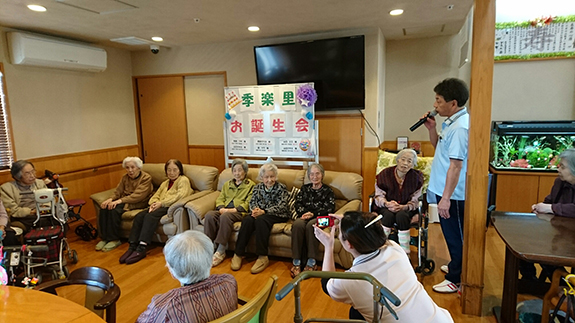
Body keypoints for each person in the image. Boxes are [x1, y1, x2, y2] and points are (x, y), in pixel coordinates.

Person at [314, 211, 453, 322]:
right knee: (356, 313)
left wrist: (328, 245)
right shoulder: (395, 249)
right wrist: (353, 223)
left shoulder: (352, 280)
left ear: (349, 244)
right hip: (438, 319)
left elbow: (327, 282)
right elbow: (373, 233)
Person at [423, 78, 469, 294]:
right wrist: (431, 129)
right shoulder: (450, 122)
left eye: (439, 100)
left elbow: (456, 166)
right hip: (444, 189)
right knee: (451, 235)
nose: (435, 105)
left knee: (455, 236)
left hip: (454, 195)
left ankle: (456, 279)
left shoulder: (460, 128)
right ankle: (455, 266)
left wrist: (446, 198)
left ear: (453, 103)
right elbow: (439, 148)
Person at [137, 230, 238, 323]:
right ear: (211, 261)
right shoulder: (229, 282)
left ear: (172, 272)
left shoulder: (164, 305)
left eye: (168, 264)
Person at [120, 159, 192, 264]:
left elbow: (180, 195)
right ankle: (132, 246)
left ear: (180, 170)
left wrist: (161, 204)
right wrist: (153, 203)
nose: (171, 173)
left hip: (170, 206)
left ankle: (142, 247)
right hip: (158, 205)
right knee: (139, 216)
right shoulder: (165, 183)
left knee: (150, 217)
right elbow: (156, 195)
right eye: (169, 170)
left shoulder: (183, 180)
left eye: (175, 170)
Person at [519, 148, 575, 281]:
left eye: (563, 167)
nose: (558, 169)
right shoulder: (559, 182)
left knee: (546, 250)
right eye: (559, 165)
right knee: (524, 241)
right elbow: (549, 201)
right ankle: (529, 279)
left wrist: (551, 208)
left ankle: (561, 282)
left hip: (571, 238)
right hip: (558, 232)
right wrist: (539, 207)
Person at [231, 162, 289, 274]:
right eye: (266, 177)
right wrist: (254, 210)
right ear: (262, 177)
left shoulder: (281, 188)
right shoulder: (257, 188)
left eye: (272, 176)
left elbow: (283, 206)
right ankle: (238, 253)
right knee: (247, 220)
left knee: (261, 221)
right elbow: (252, 202)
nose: (269, 180)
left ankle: (262, 256)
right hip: (260, 213)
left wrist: (264, 211)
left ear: (276, 176)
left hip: (277, 215)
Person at [204, 158, 255, 267]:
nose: (237, 173)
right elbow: (220, 198)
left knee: (225, 217)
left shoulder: (251, 185)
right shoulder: (227, 184)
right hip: (225, 209)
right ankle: (209, 247)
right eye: (234, 170)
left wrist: (233, 210)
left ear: (245, 171)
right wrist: (221, 207)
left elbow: (249, 202)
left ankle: (221, 250)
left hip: (239, 212)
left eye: (240, 170)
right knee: (209, 215)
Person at [96, 156, 153, 252]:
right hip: (124, 200)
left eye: (132, 167)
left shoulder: (146, 178)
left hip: (138, 202)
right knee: (104, 207)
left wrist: (119, 201)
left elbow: (138, 196)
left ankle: (114, 239)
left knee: (114, 210)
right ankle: (105, 238)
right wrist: (110, 199)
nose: (130, 170)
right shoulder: (125, 177)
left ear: (139, 167)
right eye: (127, 168)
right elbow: (118, 191)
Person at [373, 149, 423, 254]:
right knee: (388, 216)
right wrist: (387, 203)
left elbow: (416, 199)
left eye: (409, 161)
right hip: (386, 207)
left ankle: (405, 252)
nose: (405, 163)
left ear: (413, 164)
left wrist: (404, 207)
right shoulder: (384, 174)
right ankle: (381, 248)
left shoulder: (417, 177)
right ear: (397, 160)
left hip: (407, 209)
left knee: (402, 216)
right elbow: (378, 196)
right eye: (403, 159)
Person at [290, 163, 335, 278]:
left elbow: (329, 208)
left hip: (322, 218)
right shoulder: (304, 189)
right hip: (305, 215)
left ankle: (311, 262)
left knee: (311, 225)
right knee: (297, 224)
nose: (314, 177)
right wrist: (304, 213)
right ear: (309, 176)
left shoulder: (327, 191)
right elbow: (298, 204)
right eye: (312, 174)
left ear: (322, 175)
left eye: (317, 174)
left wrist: (313, 214)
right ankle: (296, 262)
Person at [0, 160, 48, 233]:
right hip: (23, 217)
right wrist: (32, 212)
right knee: (41, 221)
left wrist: (45, 208)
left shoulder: (40, 183)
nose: (32, 175)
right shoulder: (6, 189)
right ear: (17, 176)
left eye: (33, 171)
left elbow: (48, 200)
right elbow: (12, 210)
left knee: (58, 217)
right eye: (27, 173)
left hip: (42, 213)